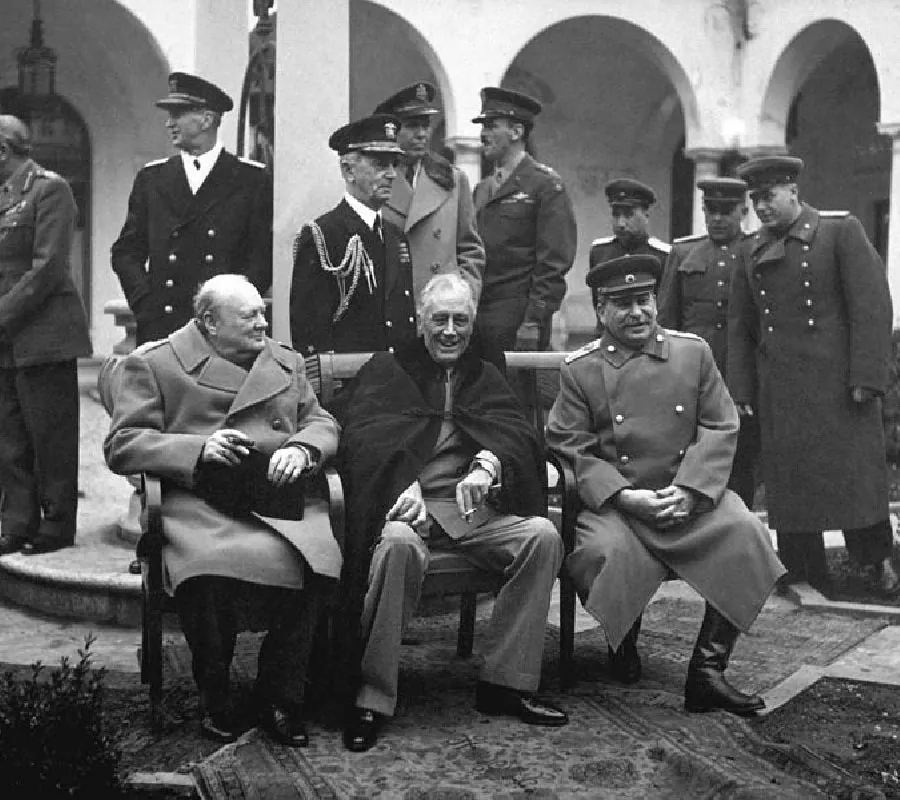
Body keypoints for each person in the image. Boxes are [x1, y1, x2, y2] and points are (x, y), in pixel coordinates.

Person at [104, 275, 341, 746]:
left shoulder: (283, 361)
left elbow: (322, 420)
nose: (263, 323)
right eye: (250, 316)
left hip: (275, 498)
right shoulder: (155, 364)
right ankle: (216, 694)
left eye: (262, 312)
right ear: (209, 322)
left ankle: (281, 695)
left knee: (318, 560)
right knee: (209, 569)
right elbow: (122, 444)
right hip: (200, 502)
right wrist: (198, 448)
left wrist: (303, 447)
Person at [335, 273, 567, 752]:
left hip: (471, 513)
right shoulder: (388, 368)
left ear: (473, 322)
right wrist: (404, 482)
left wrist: (488, 463)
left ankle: (506, 683)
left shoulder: (484, 372)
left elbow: (518, 435)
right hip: (408, 510)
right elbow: (361, 441)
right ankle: (371, 697)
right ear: (421, 321)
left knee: (542, 536)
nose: (449, 331)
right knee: (397, 547)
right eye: (439, 319)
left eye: (460, 320)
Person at [546, 254, 784, 716]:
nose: (637, 312)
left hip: (688, 499)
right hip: (620, 504)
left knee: (746, 532)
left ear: (656, 301)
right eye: (622, 304)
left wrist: (693, 490)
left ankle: (707, 674)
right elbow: (569, 444)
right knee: (603, 554)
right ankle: (623, 640)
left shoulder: (692, 353)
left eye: (644, 300)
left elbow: (720, 424)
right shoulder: (581, 369)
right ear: (600, 311)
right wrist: (623, 496)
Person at [729, 155, 900, 597]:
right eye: (755, 200)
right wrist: (743, 388)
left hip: (841, 387)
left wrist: (867, 376)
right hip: (781, 388)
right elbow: (742, 328)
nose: (761, 207)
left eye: (768, 197)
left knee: (857, 478)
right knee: (791, 480)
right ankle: (802, 566)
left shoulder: (839, 233)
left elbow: (872, 306)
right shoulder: (750, 250)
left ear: (792, 191)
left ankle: (877, 563)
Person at [111, 72, 273, 345]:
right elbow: (126, 251)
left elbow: (261, 256)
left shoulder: (250, 179)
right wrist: (145, 303)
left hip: (224, 330)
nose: (168, 123)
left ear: (207, 119)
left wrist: (236, 309)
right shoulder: (153, 178)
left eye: (177, 114)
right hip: (163, 327)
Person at [0, 115, 92, 556]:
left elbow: (48, 268)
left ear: (3, 150)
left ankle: (56, 526)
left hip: (45, 333)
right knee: (10, 434)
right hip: (8, 335)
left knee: (49, 435)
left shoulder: (49, 189)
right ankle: (16, 523)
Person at [657, 177, 759, 507]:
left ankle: (738, 524)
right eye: (710, 210)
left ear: (743, 211)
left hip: (740, 377)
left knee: (739, 457)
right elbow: (666, 319)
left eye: (725, 211)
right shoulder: (684, 252)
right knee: (689, 454)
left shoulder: (757, 251)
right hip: (691, 375)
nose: (716, 218)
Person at [290, 114, 417, 356]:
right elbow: (309, 332)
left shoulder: (395, 236)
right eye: (380, 164)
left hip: (399, 380)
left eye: (394, 164)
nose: (391, 174)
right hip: (350, 382)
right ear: (349, 171)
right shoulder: (322, 235)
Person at [472, 87, 577, 352]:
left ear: (516, 132)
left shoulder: (545, 186)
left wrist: (534, 321)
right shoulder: (482, 190)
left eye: (492, 126)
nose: (483, 135)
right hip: (478, 316)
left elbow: (553, 263)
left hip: (518, 319)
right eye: (483, 126)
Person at [374, 81, 485, 302]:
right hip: (391, 308)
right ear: (392, 131)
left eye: (425, 125)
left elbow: (470, 249)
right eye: (413, 125)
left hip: (442, 310)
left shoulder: (452, 179)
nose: (422, 134)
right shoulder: (375, 181)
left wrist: (466, 296)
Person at [588, 178, 671, 310]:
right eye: (616, 215)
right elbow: (598, 303)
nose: (621, 223)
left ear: (646, 214)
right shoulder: (599, 251)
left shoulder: (664, 256)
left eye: (628, 215)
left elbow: (666, 307)